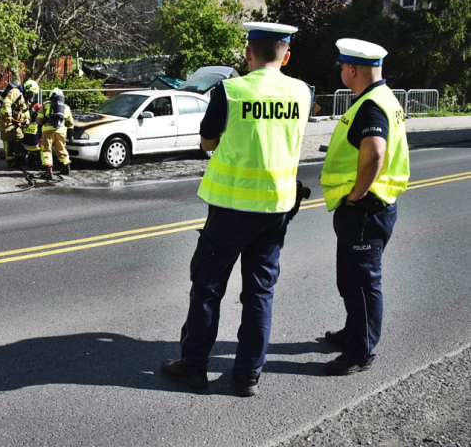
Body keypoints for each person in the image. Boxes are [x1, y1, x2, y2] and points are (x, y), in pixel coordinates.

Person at [161, 22, 312, 397]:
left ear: (248, 53)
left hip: (231, 207)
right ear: (286, 55)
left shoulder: (231, 90)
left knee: (208, 288)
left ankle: (194, 366)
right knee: (260, 294)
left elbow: (207, 140)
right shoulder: (302, 92)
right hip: (276, 207)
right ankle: (248, 376)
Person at [320, 39, 409, 376]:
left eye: (343, 67)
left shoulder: (371, 106)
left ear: (352, 70)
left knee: (361, 281)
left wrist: (357, 194)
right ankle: (354, 332)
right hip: (374, 208)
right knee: (353, 279)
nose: (342, 71)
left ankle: (361, 352)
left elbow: (374, 152)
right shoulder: (384, 97)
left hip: (366, 209)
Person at [37, 87, 74, 179]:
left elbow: (39, 120)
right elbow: (70, 122)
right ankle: (66, 166)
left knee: (46, 150)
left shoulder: (45, 105)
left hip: (47, 131)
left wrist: (39, 131)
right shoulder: (66, 107)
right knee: (61, 149)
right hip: (61, 131)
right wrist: (70, 133)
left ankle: (48, 170)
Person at [0, 78, 32, 167]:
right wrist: (8, 115)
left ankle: (20, 159)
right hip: (6, 120)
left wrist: (27, 119)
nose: (31, 96)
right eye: (31, 93)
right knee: (9, 139)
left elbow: (25, 109)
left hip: (16, 121)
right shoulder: (15, 92)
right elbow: (7, 102)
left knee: (19, 138)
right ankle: (10, 161)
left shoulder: (24, 96)